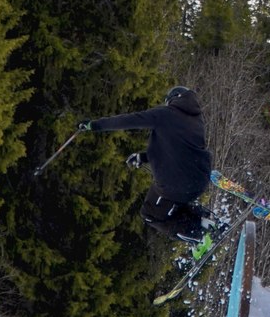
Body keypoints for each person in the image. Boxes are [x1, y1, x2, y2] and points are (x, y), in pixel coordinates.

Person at [79, 86, 217, 248]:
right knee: (173, 204)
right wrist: (143, 157)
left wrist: (94, 125)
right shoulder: (197, 121)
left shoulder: (165, 115)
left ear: (173, 99)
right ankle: (203, 221)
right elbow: (177, 152)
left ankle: (199, 234)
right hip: (199, 181)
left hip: (178, 185)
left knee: (150, 214)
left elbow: (130, 120)